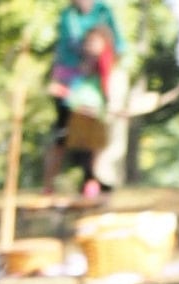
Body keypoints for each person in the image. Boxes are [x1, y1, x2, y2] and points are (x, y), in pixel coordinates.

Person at [44, 0, 127, 194]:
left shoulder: (104, 11)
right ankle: (49, 185)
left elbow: (117, 47)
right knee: (62, 138)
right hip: (71, 86)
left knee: (93, 143)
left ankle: (91, 181)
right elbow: (64, 50)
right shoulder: (68, 15)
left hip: (92, 101)